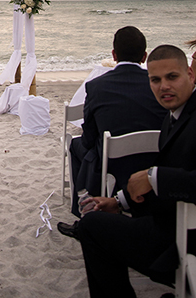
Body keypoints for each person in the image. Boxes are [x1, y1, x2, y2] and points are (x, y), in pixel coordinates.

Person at [76, 44, 196, 297]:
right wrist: (119, 202)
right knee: (97, 220)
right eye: (155, 80)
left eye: (172, 77)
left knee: (92, 228)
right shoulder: (172, 117)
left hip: (182, 236)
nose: (163, 86)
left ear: (190, 75)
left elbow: (168, 178)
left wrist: (154, 177)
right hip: (169, 222)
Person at [59, 26, 167, 232]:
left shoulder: (97, 86)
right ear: (144, 56)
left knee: (76, 146)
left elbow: (89, 137)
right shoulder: (158, 86)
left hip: (112, 164)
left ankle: (84, 213)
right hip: (153, 163)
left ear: (114, 55)